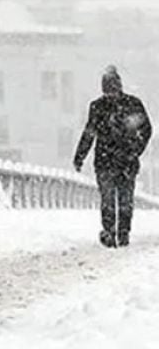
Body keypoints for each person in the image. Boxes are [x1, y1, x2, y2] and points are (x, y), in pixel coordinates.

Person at [74, 65, 152, 248]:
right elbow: (146, 130)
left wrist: (80, 156)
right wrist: (135, 149)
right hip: (124, 160)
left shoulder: (99, 107)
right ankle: (117, 232)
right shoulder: (132, 105)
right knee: (121, 198)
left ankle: (116, 232)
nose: (110, 93)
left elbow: (89, 133)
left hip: (109, 160)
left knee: (112, 198)